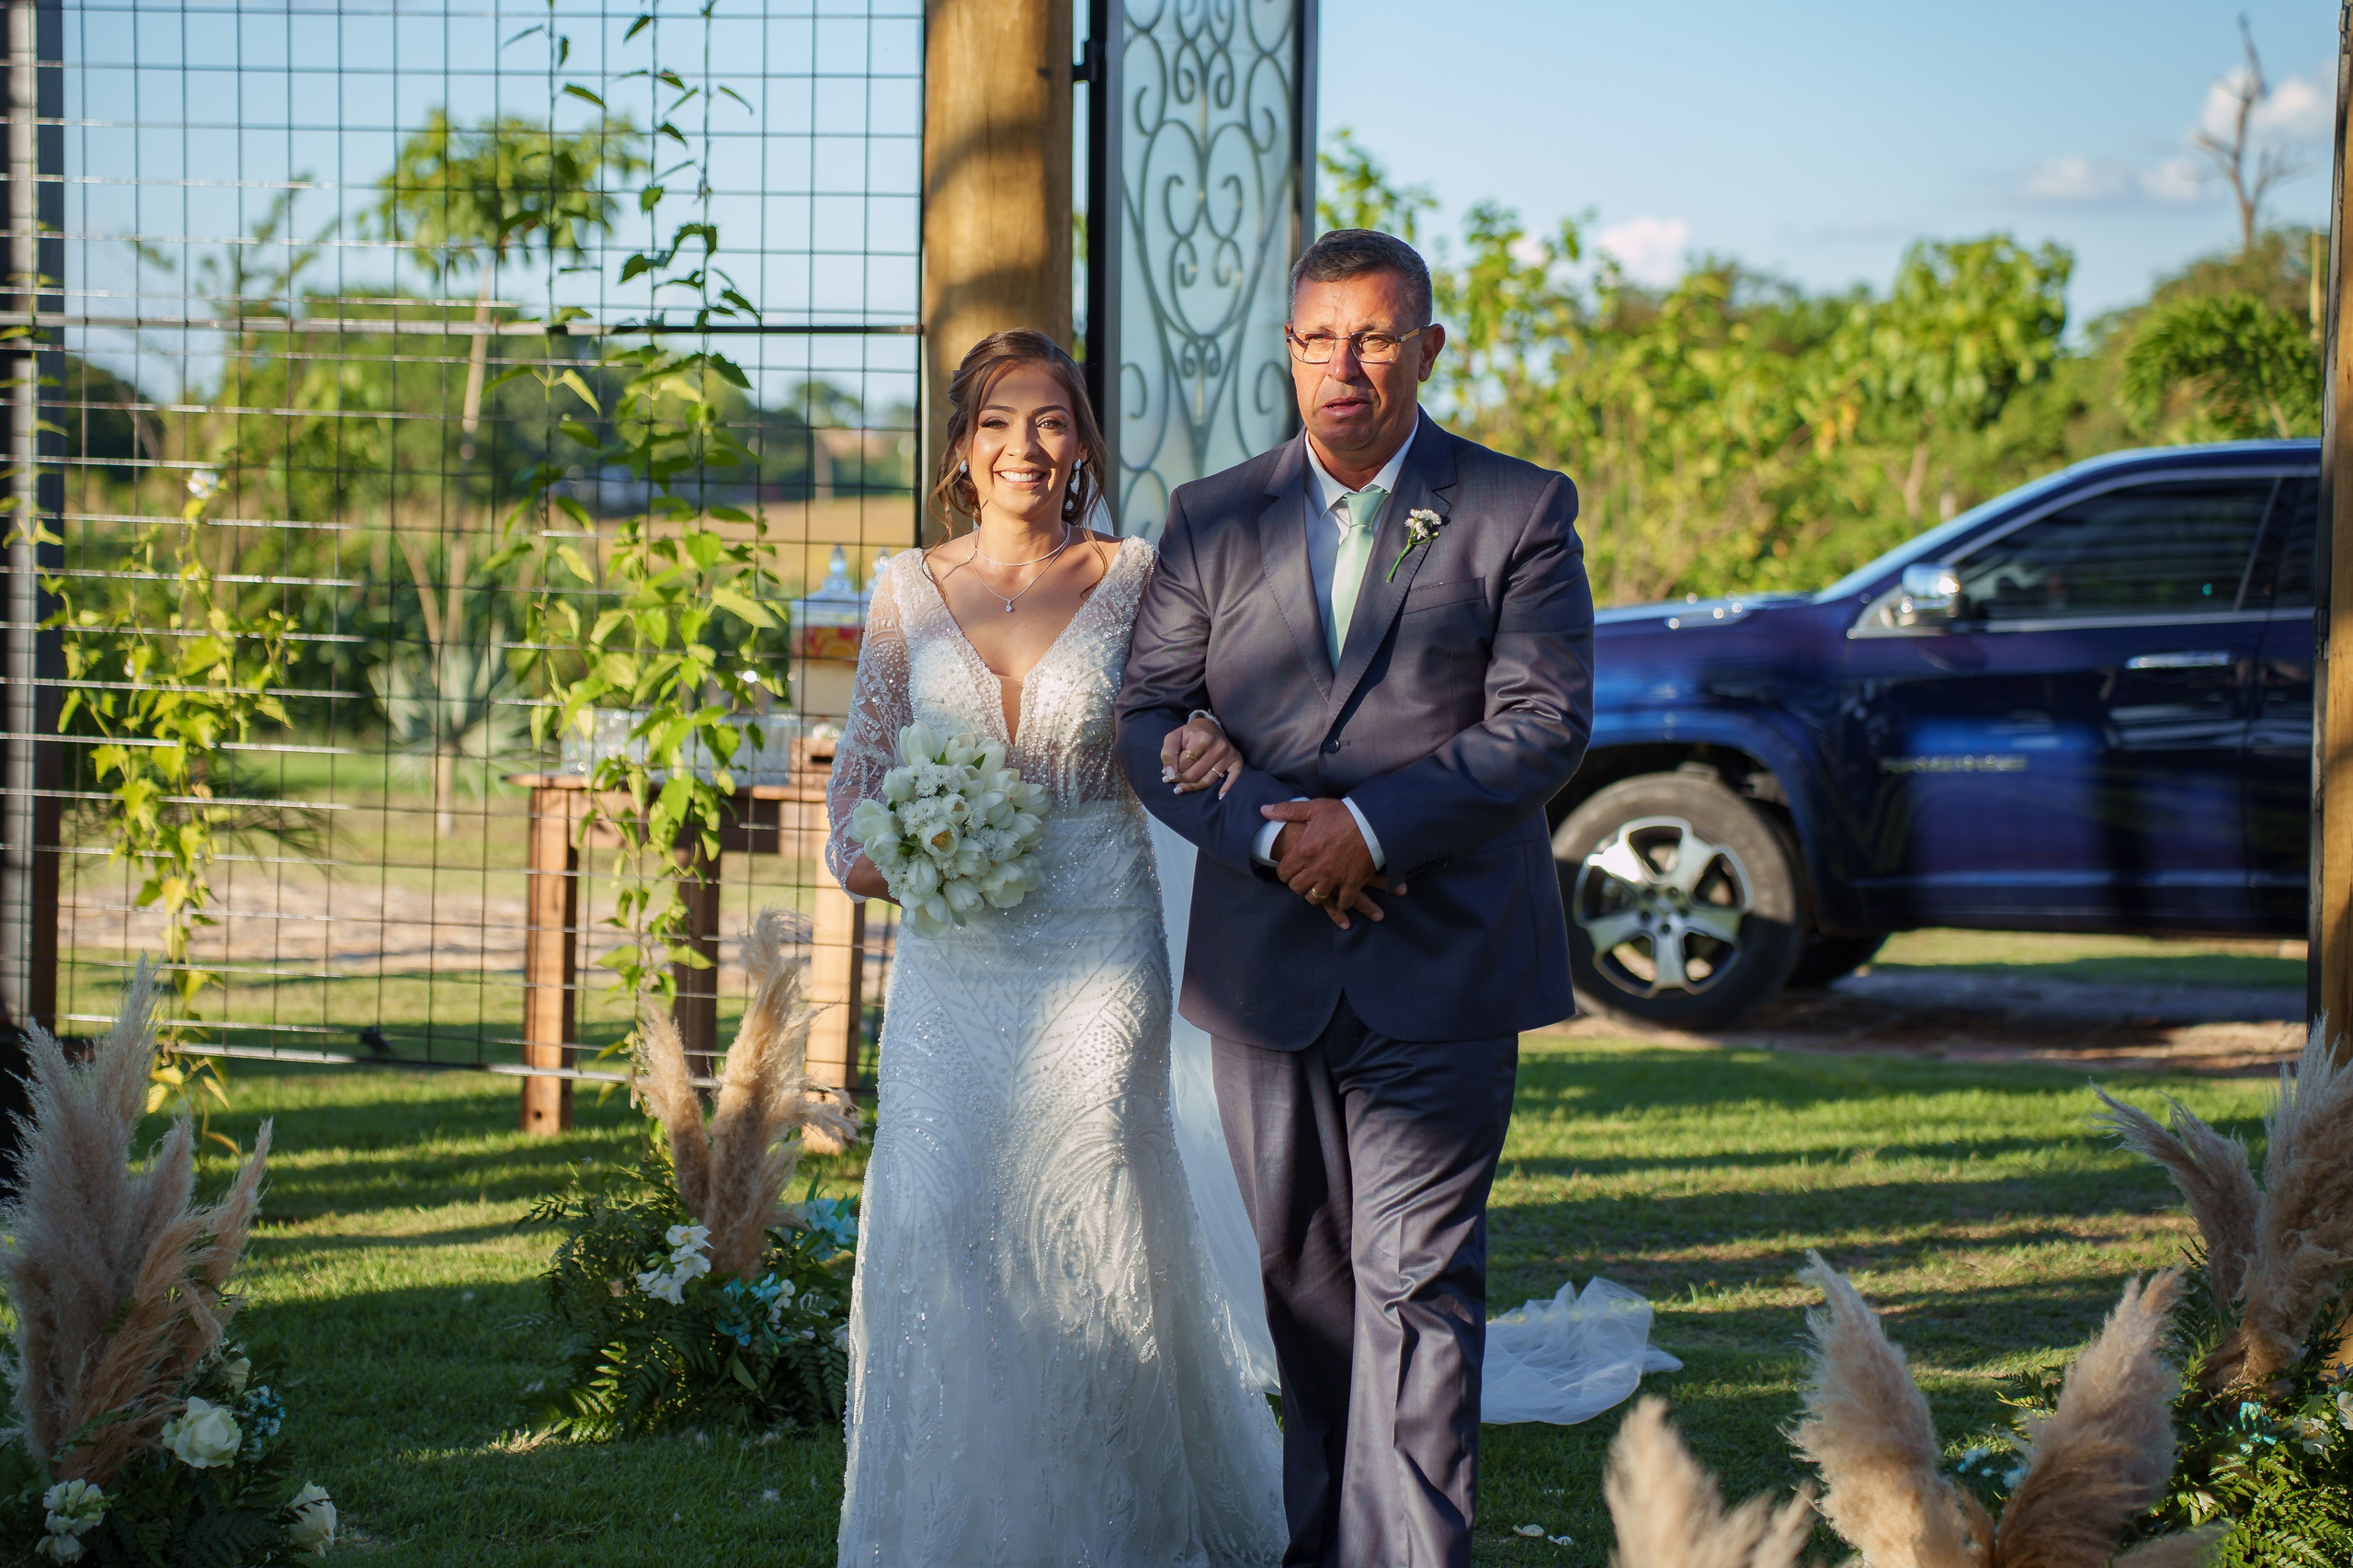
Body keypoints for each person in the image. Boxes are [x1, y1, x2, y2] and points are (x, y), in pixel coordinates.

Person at [1115, 229, 1597, 1567]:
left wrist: (1371, 832)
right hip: (1265, 967)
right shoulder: (1212, 516)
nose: (1346, 368)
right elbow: (1148, 712)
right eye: (1321, 339)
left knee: (1418, 1288)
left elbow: (1542, 723)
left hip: (1442, 957)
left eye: (1377, 339)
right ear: (1289, 350)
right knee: (1307, 1292)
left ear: (1427, 350)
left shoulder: (1517, 509)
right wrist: (1274, 839)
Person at [824, 328, 1287, 1566]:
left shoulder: (1137, 576)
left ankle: (1112, 1527)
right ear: (959, 450)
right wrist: (901, 852)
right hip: (951, 965)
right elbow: (853, 800)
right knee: (940, 1215)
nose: (1024, 446)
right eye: (997, 422)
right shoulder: (904, 590)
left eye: (1050, 420)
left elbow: (1205, 724)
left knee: (1093, 1206)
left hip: (1098, 944)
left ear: (1082, 442)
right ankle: (958, 1523)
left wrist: (1211, 743)